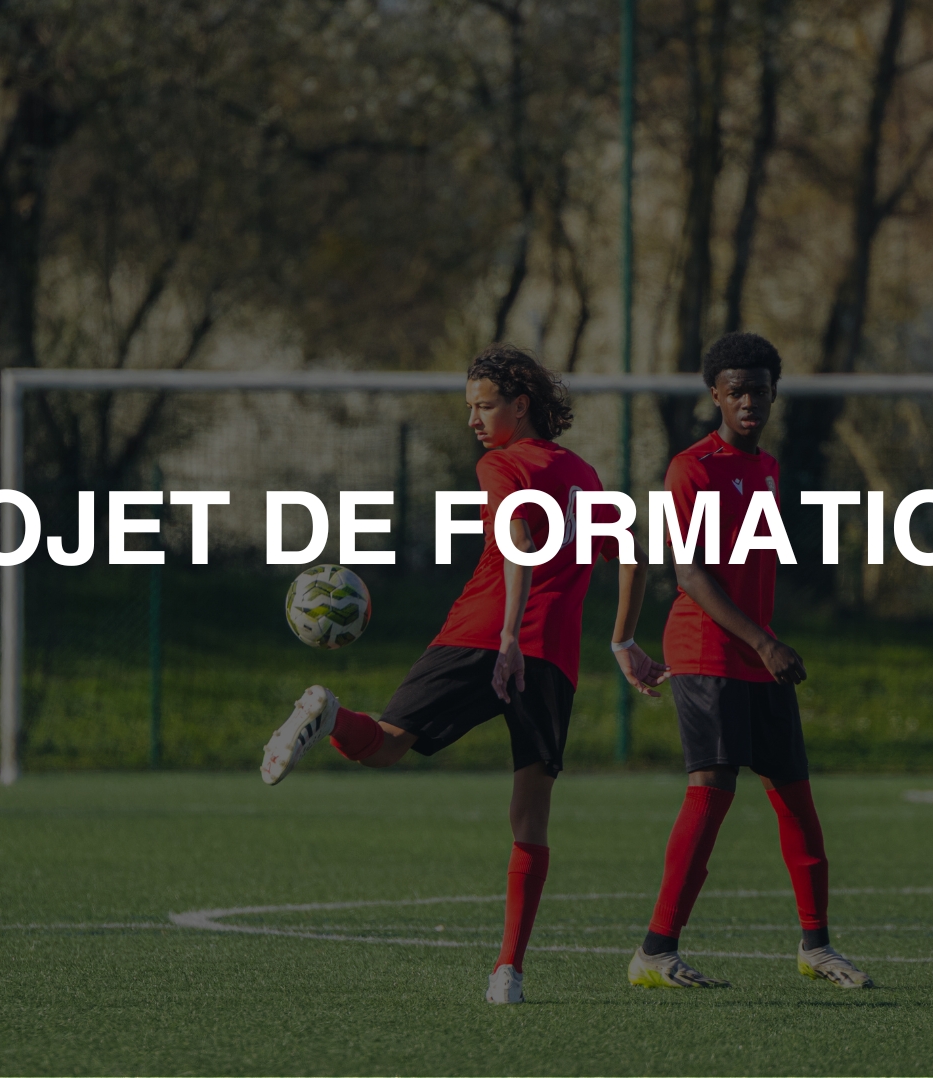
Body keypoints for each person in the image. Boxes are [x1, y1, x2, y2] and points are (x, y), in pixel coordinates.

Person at [259, 344, 616, 1005]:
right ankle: (507, 973)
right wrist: (622, 640)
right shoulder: (585, 476)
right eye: (469, 408)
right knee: (530, 820)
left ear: (521, 405)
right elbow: (630, 557)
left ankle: (331, 714)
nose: (473, 421)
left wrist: (504, 636)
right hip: (543, 654)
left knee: (386, 747)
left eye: (484, 407)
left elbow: (520, 542)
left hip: (479, 635)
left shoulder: (502, 465)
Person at [610, 331, 874, 991]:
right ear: (716, 396)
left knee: (798, 803)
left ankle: (816, 947)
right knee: (712, 791)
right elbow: (690, 573)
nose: (749, 401)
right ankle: (655, 951)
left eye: (759, 390)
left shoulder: (768, 469)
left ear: (774, 393)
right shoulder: (691, 468)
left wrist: (763, 641)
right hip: (706, 647)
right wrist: (764, 642)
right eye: (737, 392)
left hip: (756, 649)